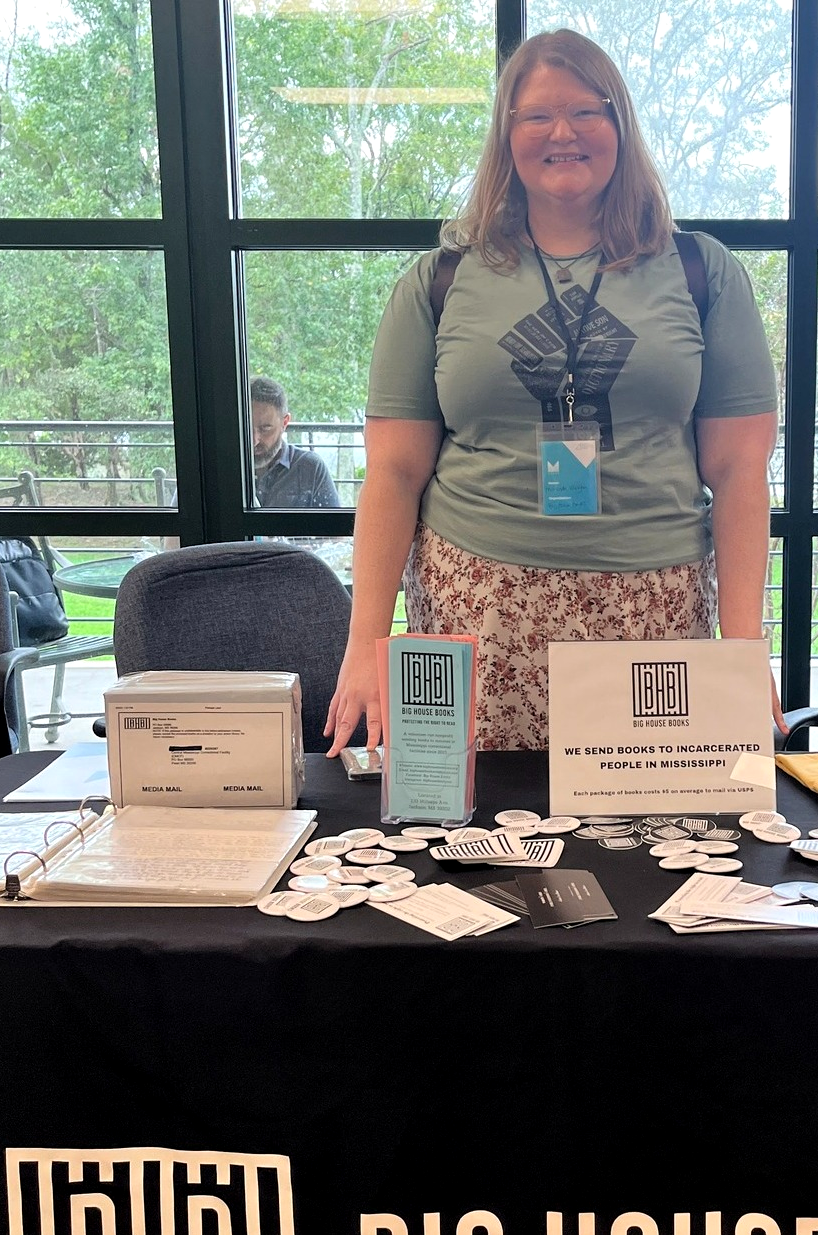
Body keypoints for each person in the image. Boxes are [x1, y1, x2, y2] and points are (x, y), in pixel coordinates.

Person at [324, 28, 780, 753]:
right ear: (507, 137)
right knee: (467, 851)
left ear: (620, 128)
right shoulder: (439, 280)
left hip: (652, 612)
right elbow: (394, 473)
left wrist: (744, 648)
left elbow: (739, 471)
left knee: (654, 846)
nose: (561, 133)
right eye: (536, 116)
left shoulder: (701, 272)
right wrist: (364, 643)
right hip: (474, 610)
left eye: (587, 112)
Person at [249, 375, 341, 508]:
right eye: (246, 428)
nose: (254, 440)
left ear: (284, 423)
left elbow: (334, 526)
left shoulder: (309, 469)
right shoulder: (222, 467)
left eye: (265, 429)